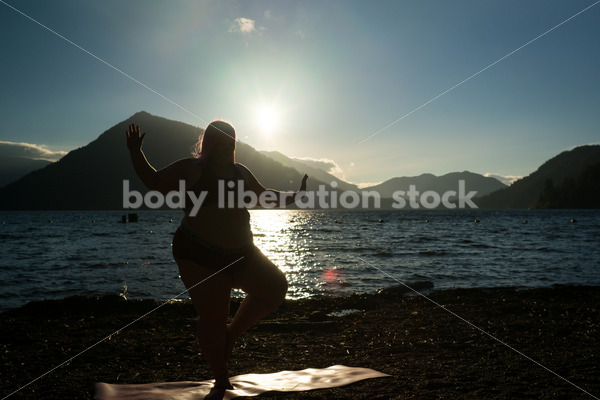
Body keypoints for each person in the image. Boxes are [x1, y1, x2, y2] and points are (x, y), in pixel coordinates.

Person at [125, 120, 308, 400]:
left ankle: (229, 338)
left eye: (232, 140)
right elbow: (154, 180)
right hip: (199, 254)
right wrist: (136, 152)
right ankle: (221, 377)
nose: (228, 145)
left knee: (275, 287)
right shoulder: (192, 169)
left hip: (242, 253)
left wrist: (296, 196)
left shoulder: (240, 173)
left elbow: (265, 197)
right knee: (213, 317)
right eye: (222, 140)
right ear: (209, 143)